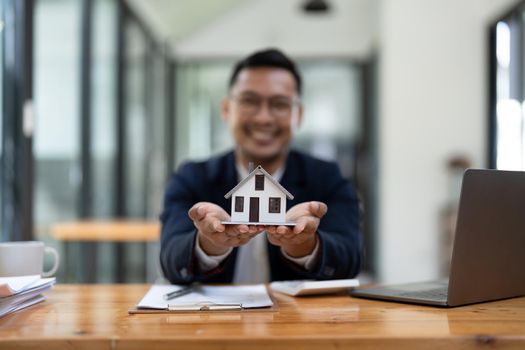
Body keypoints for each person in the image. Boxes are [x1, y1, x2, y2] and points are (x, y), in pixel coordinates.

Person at [160, 48, 361, 284]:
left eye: (279, 104)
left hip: (295, 320)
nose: (264, 118)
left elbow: (350, 259)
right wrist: (209, 244)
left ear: (299, 114)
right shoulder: (192, 177)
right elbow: (170, 259)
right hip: (213, 319)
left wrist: (305, 246)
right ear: (227, 109)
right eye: (249, 101)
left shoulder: (327, 177)